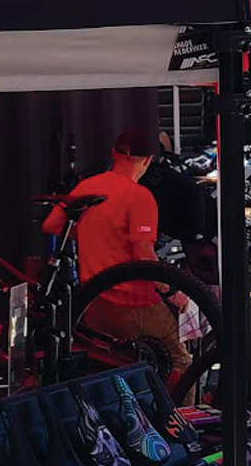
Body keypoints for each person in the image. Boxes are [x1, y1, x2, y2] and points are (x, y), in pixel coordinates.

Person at [41, 130, 190, 386]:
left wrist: (93, 233)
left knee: (111, 368)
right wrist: (172, 292)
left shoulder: (87, 186)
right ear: (148, 160)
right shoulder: (139, 196)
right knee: (181, 362)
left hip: (94, 303)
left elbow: (51, 225)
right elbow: (143, 253)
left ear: (114, 153)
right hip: (134, 303)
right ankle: (176, 422)